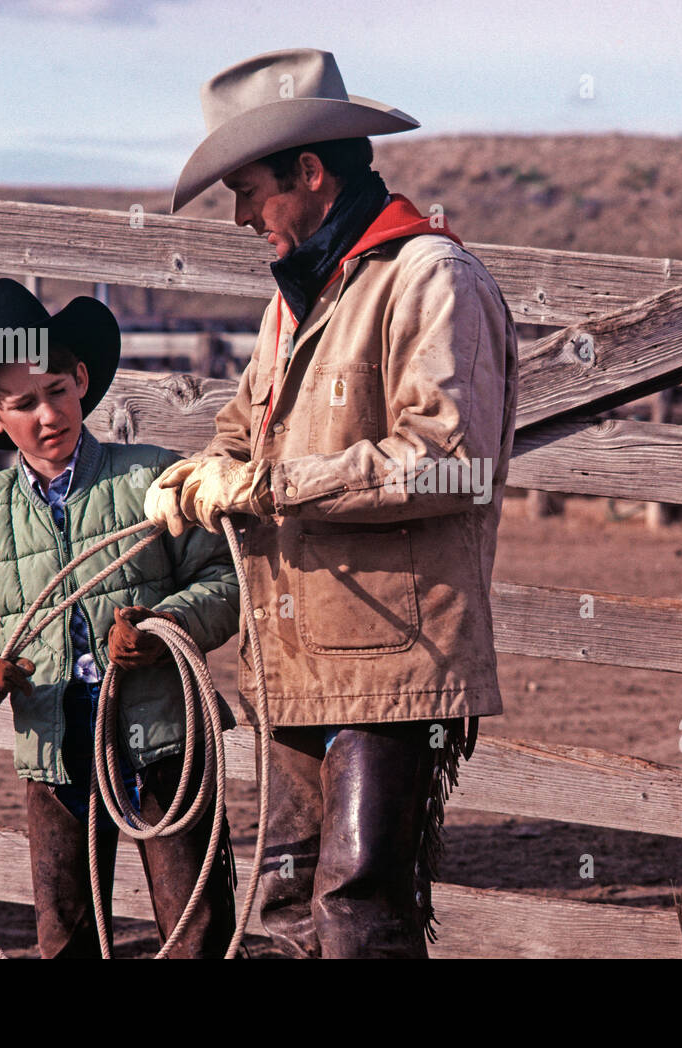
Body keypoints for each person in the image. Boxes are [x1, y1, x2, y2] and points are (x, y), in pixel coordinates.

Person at [145, 47, 519, 958]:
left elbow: (446, 459)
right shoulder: (300, 301)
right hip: (298, 649)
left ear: (310, 172)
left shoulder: (431, 278)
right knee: (283, 901)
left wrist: (265, 486)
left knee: (358, 903)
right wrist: (199, 471)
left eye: (248, 190)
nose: (240, 216)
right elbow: (245, 426)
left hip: (394, 658)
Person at [0, 278, 241, 958]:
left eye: (57, 390)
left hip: (164, 742)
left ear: (81, 380)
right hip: (53, 752)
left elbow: (226, 575)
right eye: (24, 403)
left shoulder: (151, 482)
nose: (48, 414)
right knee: (65, 934)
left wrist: (166, 625)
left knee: (195, 925)